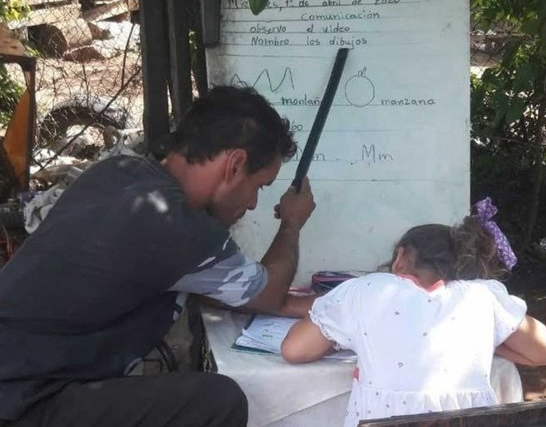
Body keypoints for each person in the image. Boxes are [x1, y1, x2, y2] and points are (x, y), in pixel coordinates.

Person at [0, 86, 317, 427]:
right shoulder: (176, 225)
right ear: (235, 164)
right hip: (24, 399)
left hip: (19, 375)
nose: (253, 203)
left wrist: (312, 304)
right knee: (216, 402)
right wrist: (291, 223)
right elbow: (267, 295)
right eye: (259, 186)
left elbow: (237, 291)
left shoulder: (117, 172)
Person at [281, 198, 546, 427]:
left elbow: (295, 350)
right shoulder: (483, 297)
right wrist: (486, 341)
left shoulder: (366, 290)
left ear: (401, 257)